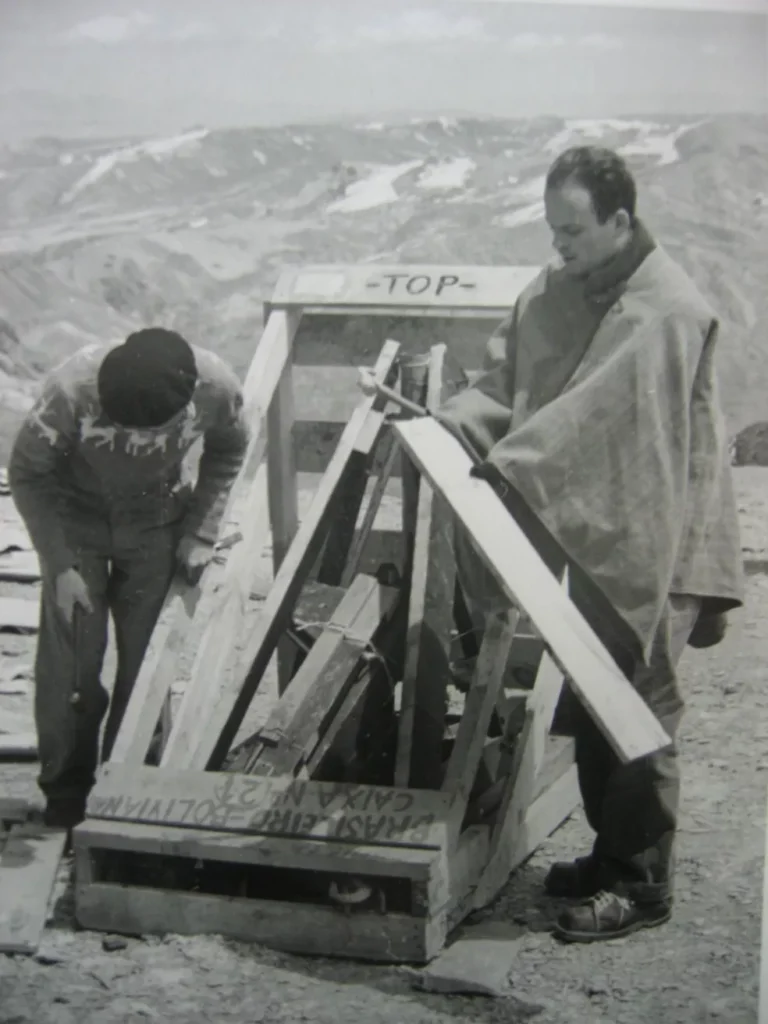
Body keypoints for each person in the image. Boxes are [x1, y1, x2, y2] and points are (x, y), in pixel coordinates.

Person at [436, 146, 744, 943]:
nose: (559, 246)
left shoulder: (666, 310)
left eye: (572, 230)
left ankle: (640, 886)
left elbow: (603, 417)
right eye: (551, 230)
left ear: (619, 219)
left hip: (661, 534)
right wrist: (457, 423)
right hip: (596, 535)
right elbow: (514, 386)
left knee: (640, 702)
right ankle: (611, 858)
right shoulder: (556, 291)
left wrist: (515, 461)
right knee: (597, 690)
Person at [8, 328, 250, 831]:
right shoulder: (69, 390)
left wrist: (202, 530)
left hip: (156, 522)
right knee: (71, 664)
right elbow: (28, 473)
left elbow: (229, 448)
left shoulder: (216, 387)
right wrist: (59, 564)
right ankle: (67, 793)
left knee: (147, 664)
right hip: (77, 523)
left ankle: (128, 788)